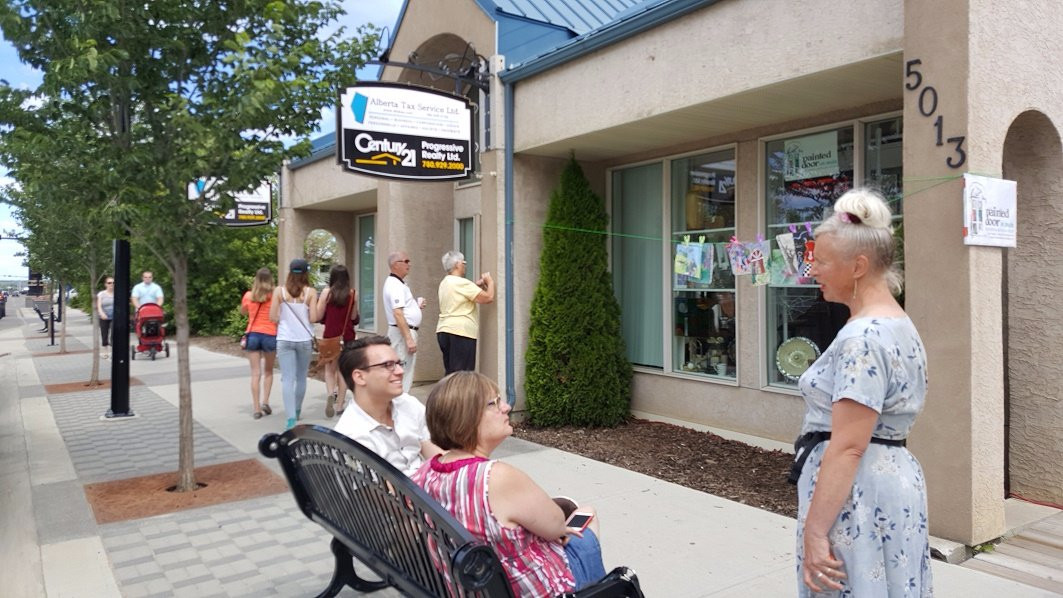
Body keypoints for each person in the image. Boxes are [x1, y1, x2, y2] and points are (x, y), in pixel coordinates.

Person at [793, 188, 932, 596]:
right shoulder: (897, 322)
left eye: (820, 262)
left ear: (858, 266)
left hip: (858, 495)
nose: (812, 270)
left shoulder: (863, 337)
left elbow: (849, 446)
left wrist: (816, 534)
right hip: (889, 483)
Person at [412, 371, 607, 596]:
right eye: (494, 403)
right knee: (586, 514)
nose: (506, 407)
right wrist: (560, 531)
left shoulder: (427, 472)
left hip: (473, 588)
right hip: (543, 590)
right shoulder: (496, 477)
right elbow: (555, 526)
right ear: (466, 419)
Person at [334, 335, 441, 475]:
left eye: (399, 363)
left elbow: (432, 449)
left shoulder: (406, 403)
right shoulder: (353, 436)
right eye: (388, 365)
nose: (400, 371)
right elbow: (377, 494)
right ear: (360, 377)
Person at [269, 258, 320, 430]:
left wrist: (283, 320)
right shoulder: (311, 292)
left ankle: (290, 417)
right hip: (304, 340)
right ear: (306, 273)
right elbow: (314, 318)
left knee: (287, 379)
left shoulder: (279, 291)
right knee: (301, 377)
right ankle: (297, 410)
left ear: (290, 272)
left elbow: (272, 317)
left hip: (284, 339)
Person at [436, 251, 494, 374]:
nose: (465, 265)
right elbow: (488, 298)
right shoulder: (462, 283)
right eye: (464, 262)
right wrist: (490, 282)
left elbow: (461, 295)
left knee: (451, 373)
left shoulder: (445, 283)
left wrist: (475, 286)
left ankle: (449, 393)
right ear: (457, 264)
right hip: (461, 332)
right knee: (463, 375)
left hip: (444, 330)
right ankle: (460, 394)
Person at [316, 264, 358, 418]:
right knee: (342, 371)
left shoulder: (327, 293)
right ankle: (340, 405)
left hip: (330, 337)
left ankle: (330, 393)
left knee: (330, 370)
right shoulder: (353, 294)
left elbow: (319, 315)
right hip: (347, 337)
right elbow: (353, 317)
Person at [382, 251, 424, 393]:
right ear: (395, 265)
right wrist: (409, 339)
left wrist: (415, 307)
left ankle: (399, 401)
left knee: (403, 370)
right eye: (406, 261)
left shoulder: (399, 284)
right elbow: (398, 314)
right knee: (402, 372)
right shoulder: (395, 285)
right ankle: (399, 402)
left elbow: (402, 310)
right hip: (402, 333)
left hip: (403, 331)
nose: (409, 264)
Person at [240, 267, 277, 420]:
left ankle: (256, 408)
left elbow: (243, 312)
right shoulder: (274, 295)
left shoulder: (249, 295)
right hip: (270, 334)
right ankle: (265, 402)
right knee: (268, 371)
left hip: (253, 334)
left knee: (255, 373)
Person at [96, 276, 115, 347]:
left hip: (114, 316)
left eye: (113, 283)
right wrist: (102, 313)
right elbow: (99, 305)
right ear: (106, 284)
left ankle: (113, 347)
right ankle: (105, 349)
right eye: (109, 283)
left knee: (114, 332)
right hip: (104, 316)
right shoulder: (101, 294)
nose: (111, 284)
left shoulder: (117, 294)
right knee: (104, 335)